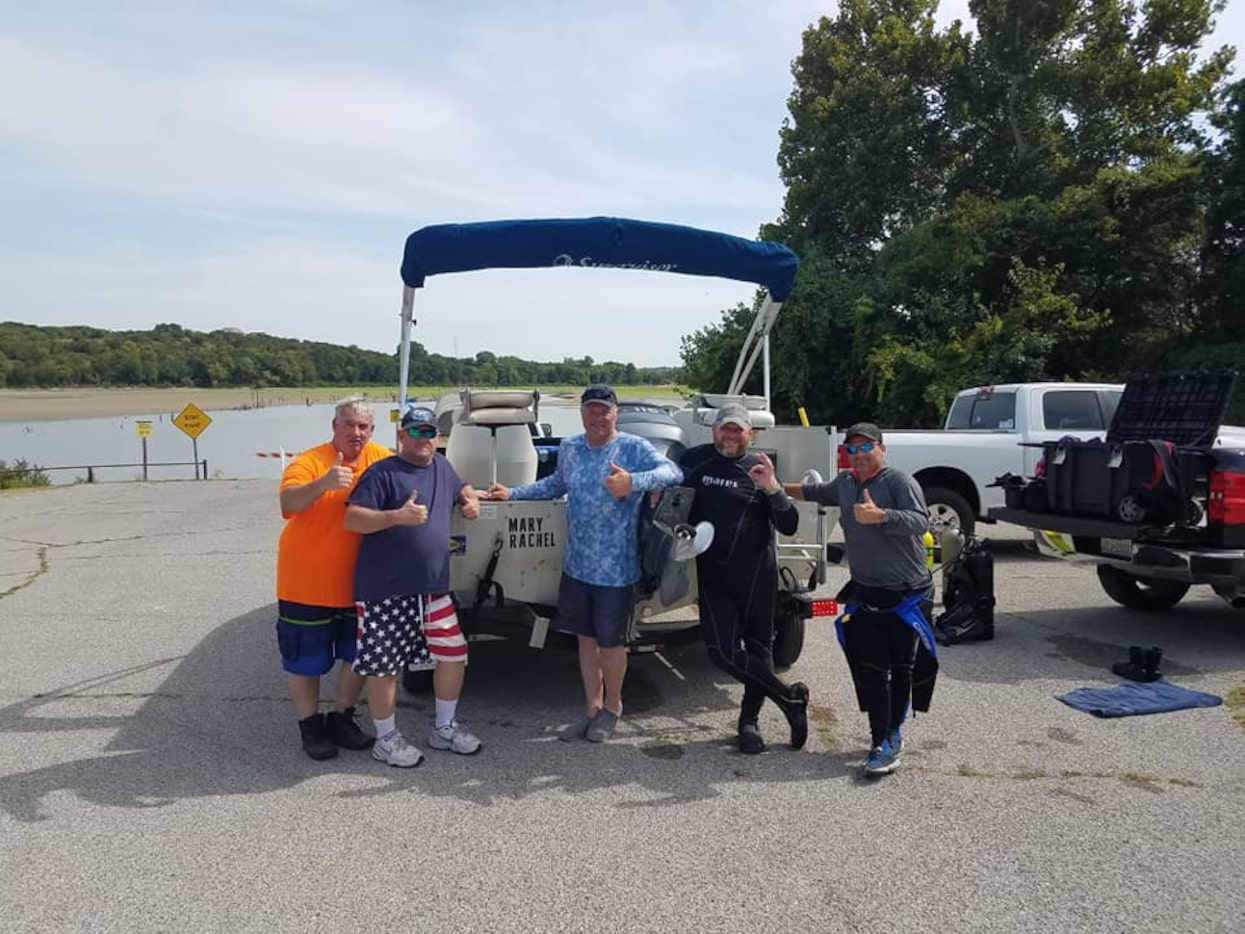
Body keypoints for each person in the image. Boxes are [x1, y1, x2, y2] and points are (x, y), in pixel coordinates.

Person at [484, 384, 682, 743]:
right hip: (576, 566)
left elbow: (673, 473)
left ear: (615, 413)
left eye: (604, 409)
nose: (597, 415)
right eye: (591, 408)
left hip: (617, 570)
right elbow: (555, 485)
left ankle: (613, 707)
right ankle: (591, 708)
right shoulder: (571, 447)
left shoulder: (633, 447)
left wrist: (632, 482)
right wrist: (512, 493)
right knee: (585, 643)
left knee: (611, 645)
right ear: (582, 412)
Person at [783, 421, 938, 778]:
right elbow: (815, 491)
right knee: (870, 670)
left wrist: (881, 516)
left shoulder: (898, 482)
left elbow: (920, 522)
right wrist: (774, 488)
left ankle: (890, 738)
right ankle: (879, 736)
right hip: (866, 592)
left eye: (865, 447)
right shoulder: (847, 484)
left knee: (901, 669)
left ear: (881, 448)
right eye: (851, 449)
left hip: (906, 595)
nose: (858, 455)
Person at [344, 405, 482, 768]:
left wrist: (470, 499)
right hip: (384, 590)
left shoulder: (442, 466)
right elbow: (352, 518)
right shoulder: (382, 473)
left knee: (453, 653)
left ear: (439, 438)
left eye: (430, 432)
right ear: (401, 436)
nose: (424, 439)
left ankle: (444, 728)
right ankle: (386, 739)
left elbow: (461, 485)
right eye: (416, 432)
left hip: (432, 589)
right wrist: (396, 517)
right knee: (384, 666)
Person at [678, 403, 810, 754]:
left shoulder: (759, 467)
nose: (730, 435)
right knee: (721, 653)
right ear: (714, 430)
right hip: (713, 574)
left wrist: (773, 489)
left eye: (738, 429)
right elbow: (670, 506)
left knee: (759, 650)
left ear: (750, 434)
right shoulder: (694, 461)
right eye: (725, 428)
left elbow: (790, 525)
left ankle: (748, 723)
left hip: (756, 574)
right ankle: (789, 699)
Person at [276, 397, 391, 761]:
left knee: (357, 656)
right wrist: (323, 483)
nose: (356, 433)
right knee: (304, 661)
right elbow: (288, 503)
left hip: (360, 584)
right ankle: (310, 727)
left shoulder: (382, 459)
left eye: (363, 427)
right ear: (335, 426)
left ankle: (341, 717)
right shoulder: (311, 461)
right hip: (305, 584)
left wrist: (467, 494)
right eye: (349, 425)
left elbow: (426, 475)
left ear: (372, 431)